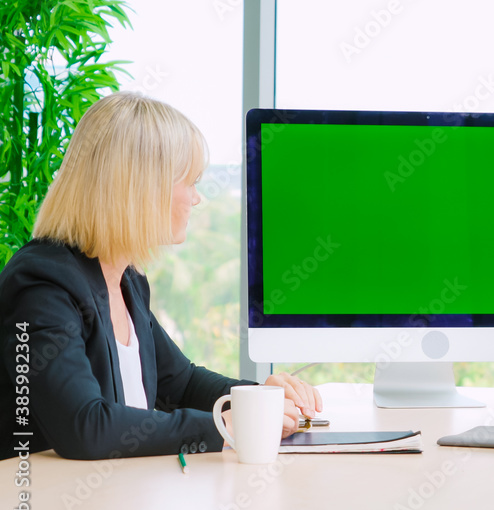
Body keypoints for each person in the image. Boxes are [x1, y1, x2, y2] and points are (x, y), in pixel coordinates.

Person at [0, 91, 322, 461]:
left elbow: (181, 383)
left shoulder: (127, 280)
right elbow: (84, 426)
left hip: (118, 502)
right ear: (140, 190)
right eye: (189, 183)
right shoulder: (41, 285)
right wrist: (223, 428)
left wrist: (259, 398)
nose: (196, 199)